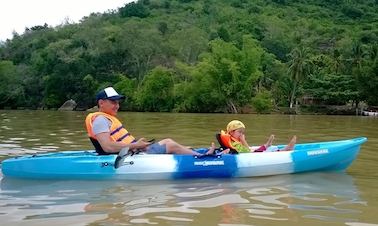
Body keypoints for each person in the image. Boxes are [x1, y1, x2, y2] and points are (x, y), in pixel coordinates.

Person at [85, 87, 214, 155]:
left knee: (180, 147)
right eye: (113, 102)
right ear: (101, 103)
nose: (117, 106)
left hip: (134, 152)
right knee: (169, 143)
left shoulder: (105, 119)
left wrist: (138, 146)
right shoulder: (100, 120)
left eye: (118, 102)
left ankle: (196, 152)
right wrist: (136, 145)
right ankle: (204, 158)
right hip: (128, 155)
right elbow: (107, 147)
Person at [217, 120, 296, 154]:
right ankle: (286, 149)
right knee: (265, 152)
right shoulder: (234, 144)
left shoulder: (233, 141)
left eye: (242, 132)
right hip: (248, 156)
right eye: (239, 132)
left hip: (246, 153)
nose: (241, 134)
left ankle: (267, 145)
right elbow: (247, 151)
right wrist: (243, 140)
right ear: (231, 132)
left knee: (257, 149)